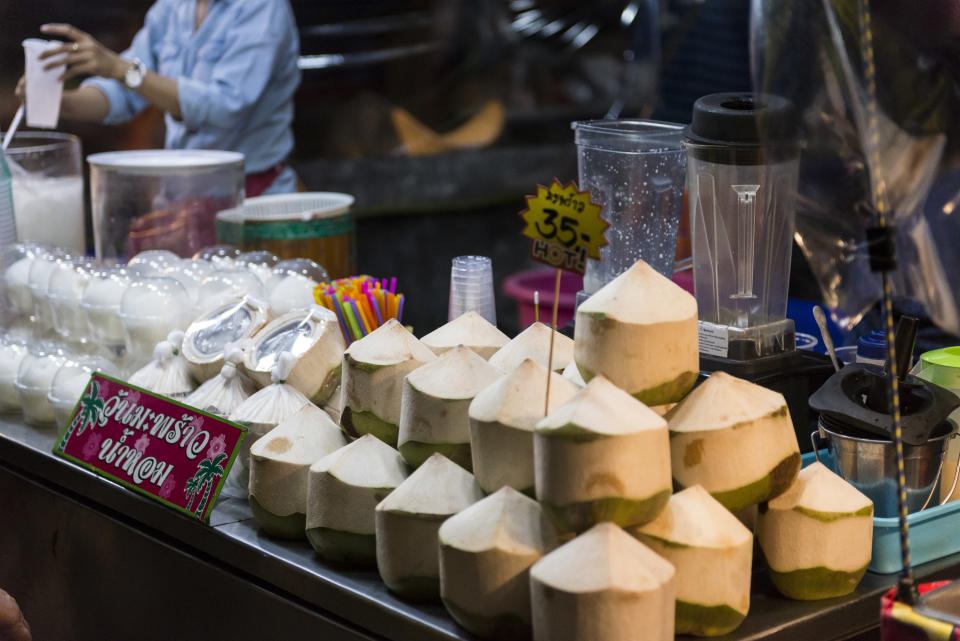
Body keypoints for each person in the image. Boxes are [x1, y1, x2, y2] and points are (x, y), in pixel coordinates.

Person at [16, 0, 301, 196]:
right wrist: (56, 100)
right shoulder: (172, 8)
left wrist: (119, 68)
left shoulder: (262, 8)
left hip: (252, 199)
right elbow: (121, 95)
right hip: (181, 196)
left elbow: (224, 107)